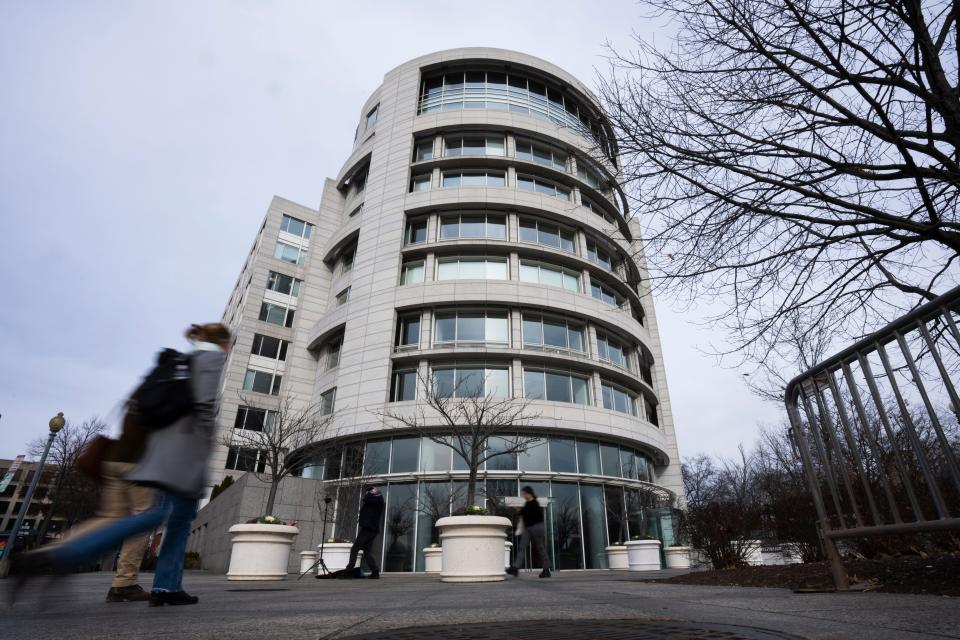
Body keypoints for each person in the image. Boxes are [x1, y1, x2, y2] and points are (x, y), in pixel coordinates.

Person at [13, 323, 230, 606]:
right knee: (153, 517)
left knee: (178, 518)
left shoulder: (181, 361)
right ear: (223, 342)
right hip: (183, 453)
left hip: (159, 452)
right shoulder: (211, 358)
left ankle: (167, 587)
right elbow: (202, 408)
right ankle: (66, 553)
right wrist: (203, 449)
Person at [506, 486, 551, 578]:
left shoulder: (534, 503)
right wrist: (518, 509)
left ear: (529, 493)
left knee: (540, 548)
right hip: (528, 528)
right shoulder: (527, 503)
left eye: (524, 493)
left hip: (537, 527)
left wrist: (522, 511)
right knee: (522, 547)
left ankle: (546, 570)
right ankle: (515, 568)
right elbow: (522, 513)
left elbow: (531, 515)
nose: (523, 495)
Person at [343, 485, 384, 579]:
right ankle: (375, 572)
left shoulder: (377, 499)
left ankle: (348, 571)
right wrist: (371, 493)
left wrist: (370, 493)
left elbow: (366, 499)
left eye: (372, 491)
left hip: (368, 529)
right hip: (372, 529)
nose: (369, 492)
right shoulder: (377, 500)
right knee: (367, 552)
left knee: (355, 549)